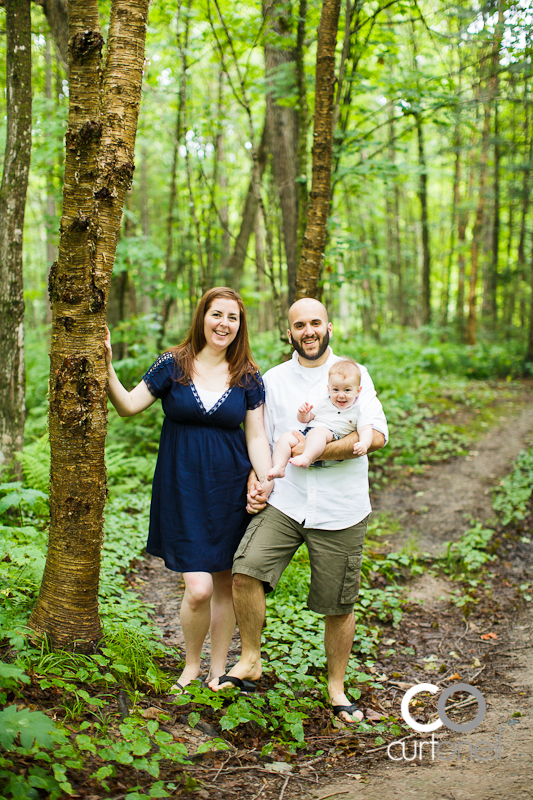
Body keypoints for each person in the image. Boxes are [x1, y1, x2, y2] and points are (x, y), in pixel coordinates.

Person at [210, 298, 388, 725]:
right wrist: (259, 480)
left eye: (315, 323)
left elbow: (378, 434)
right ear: (289, 332)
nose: (308, 331)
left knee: (338, 604)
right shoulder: (273, 380)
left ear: (329, 326)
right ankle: (250, 659)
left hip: (340, 508)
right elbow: (263, 440)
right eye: (299, 325)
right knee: (246, 569)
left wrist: (322, 450)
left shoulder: (354, 374)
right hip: (286, 501)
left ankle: (336, 688)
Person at [105, 287, 273, 690]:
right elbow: (128, 406)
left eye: (232, 318)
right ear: (202, 317)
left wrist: (264, 480)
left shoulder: (248, 375)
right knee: (197, 588)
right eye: (217, 314)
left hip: (229, 487)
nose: (224, 324)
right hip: (181, 485)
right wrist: (107, 367)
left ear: (240, 325)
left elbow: (255, 438)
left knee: (225, 582)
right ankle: (191, 665)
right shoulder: (173, 364)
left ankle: (218, 670)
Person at [268, 359, 373, 478]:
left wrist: (364, 443)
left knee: (319, 432)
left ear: (358, 391)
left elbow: (365, 429)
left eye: (347, 390)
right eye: (336, 390)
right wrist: (303, 413)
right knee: (285, 438)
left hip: (333, 436)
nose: (341, 395)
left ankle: (307, 457)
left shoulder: (359, 410)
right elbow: (306, 419)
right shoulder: (324, 401)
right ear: (329, 388)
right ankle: (279, 466)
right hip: (309, 432)